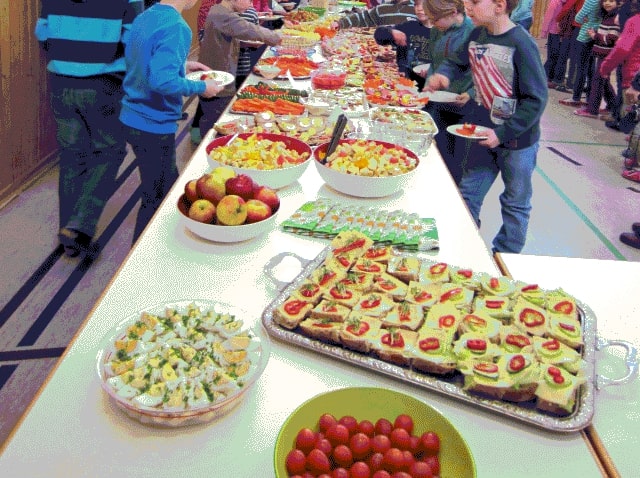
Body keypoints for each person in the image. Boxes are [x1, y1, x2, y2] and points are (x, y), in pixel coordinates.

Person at [426, 0, 548, 253]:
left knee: (515, 201)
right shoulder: (477, 34)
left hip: (517, 141)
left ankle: (507, 254)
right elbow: (457, 60)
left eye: (474, 2)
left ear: (499, 5)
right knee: (468, 193)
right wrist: (444, 74)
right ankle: (465, 244)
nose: (467, 6)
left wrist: (502, 133)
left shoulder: (521, 44)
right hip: (482, 133)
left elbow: (536, 100)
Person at [34, 0, 144, 259]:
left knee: (72, 156)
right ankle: (80, 225)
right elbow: (132, 43)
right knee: (110, 151)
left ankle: (69, 235)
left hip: (61, 83)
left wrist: (69, 59)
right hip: (103, 84)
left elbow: (43, 34)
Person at [119, 0, 223, 243]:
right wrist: (201, 87)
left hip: (132, 117)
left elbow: (144, 63)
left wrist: (182, 67)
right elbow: (162, 82)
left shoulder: (145, 16)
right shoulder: (177, 26)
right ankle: (143, 259)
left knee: (164, 189)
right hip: (152, 123)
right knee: (159, 199)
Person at [197, 0, 283, 139]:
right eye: (248, 0)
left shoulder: (220, 10)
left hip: (218, 73)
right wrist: (278, 37)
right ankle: (209, 144)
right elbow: (248, 28)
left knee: (211, 113)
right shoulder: (222, 14)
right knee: (217, 118)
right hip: (218, 78)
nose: (250, 4)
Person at [419, 0, 475, 184]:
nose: (432, 23)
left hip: (465, 106)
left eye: (435, 19)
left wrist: (471, 93)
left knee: (457, 162)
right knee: (435, 152)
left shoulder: (473, 31)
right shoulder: (437, 30)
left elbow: (483, 72)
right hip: (438, 103)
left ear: (452, 12)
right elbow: (436, 64)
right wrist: (430, 84)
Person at [574, 0, 620, 118]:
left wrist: (595, 36)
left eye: (611, 1)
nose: (607, 3)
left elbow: (611, 39)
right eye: (605, 1)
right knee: (603, 81)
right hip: (602, 53)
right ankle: (613, 106)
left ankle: (592, 110)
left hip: (607, 55)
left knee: (598, 80)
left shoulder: (615, 18)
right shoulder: (607, 16)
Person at [373, 0, 432, 90]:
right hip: (406, 85)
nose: (419, 9)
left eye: (424, 5)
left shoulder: (443, 32)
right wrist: (391, 32)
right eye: (416, 5)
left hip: (432, 88)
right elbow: (379, 37)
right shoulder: (410, 26)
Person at [599, 6, 640, 133]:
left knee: (632, 124)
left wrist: (605, 67)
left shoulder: (636, 21)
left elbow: (623, 49)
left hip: (633, 75)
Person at [559, 0, 602, 107]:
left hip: (585, 36)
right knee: (591, 69)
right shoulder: (602, 2)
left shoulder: (591, 1)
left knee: (581, 68)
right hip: (596, 35)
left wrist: (586, 20)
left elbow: (578, 18)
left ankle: (576, 97)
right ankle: (588, 98)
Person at [539, 0, 569, 89]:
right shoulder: (567, 3)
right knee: (557, 56)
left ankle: (545, 77)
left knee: (552, 56)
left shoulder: (554, 2)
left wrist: (544, 32)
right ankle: (550, 78)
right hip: (563, 33)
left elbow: (548, 18)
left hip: (553, 32)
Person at [332, 0, 417, 29]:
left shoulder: (419, 9)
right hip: (385, 59)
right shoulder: (383, 8)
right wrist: (340, 23)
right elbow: (363, 18)